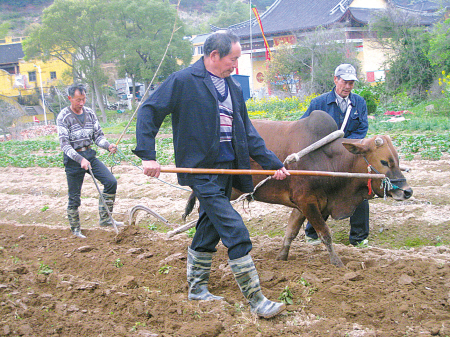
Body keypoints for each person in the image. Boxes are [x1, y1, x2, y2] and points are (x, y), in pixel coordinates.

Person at [133, 31, 289, 319]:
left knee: (210, 226)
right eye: (233, 59)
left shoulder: (234, 88)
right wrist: (148, 155)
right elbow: (150, 111)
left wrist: (273, 163)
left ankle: (196, 289)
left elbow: (248, 133)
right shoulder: (183, 81)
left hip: (228, 169)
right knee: (234, 229)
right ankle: (257, 300)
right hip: (200, 170)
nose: (236, 65)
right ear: (213, 55)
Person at [301, 63, 370, 248]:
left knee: (359, 192)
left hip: (349, 158)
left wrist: (346, 146)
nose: (348, 87)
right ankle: (313, 234)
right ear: (335, 80)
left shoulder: (359, 103)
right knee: (321, 194)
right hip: (325, 159)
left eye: (351, 83)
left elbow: (362, 128)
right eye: (345, 82)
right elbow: (304, 127)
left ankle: (359, 238)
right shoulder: (319, 103)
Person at [57, 83, 123, 239]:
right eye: (78, 100)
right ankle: (75, 229)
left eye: (84, 99)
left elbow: (98, 137)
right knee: (74, 196)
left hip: (90, 156)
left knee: (111, 182)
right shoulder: (63, 117)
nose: (81, 103)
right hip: (74, 161)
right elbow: (65, 145)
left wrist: (108, 146)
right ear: (70, 98)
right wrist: (80, 160)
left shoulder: (90, 114)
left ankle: (105, 218)